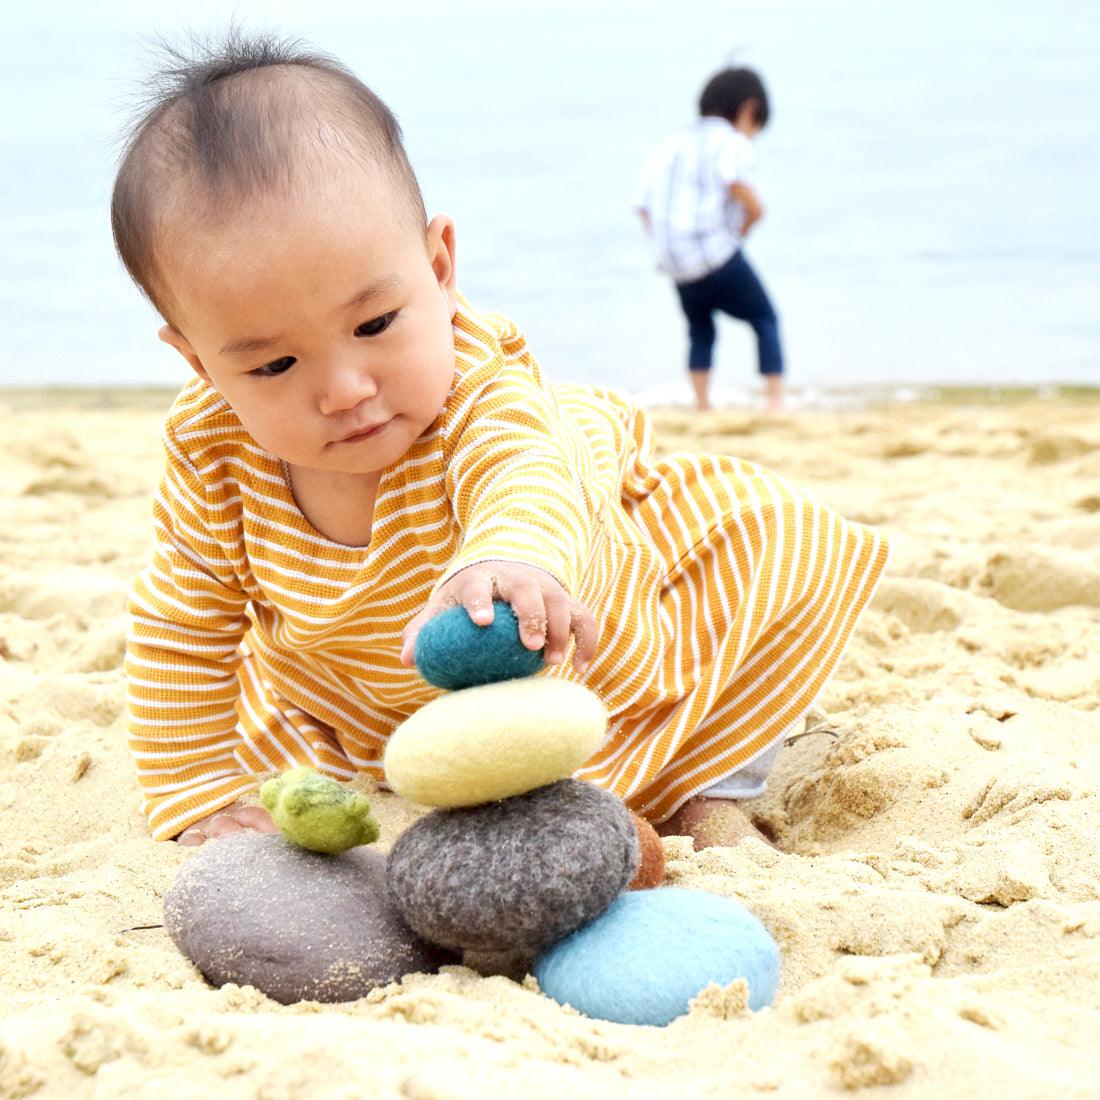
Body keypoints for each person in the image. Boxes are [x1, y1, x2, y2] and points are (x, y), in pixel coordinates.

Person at [114, 35, 888, 851]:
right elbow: (180, 624)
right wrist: (196, 790)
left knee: (764, 542)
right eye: (273, 365)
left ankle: (706, 788)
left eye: (375, 324)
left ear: (439, 267)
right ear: (199, 363)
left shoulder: (480, 388)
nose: (344, 389)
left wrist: (509, 555)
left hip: (594, 652)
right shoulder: (212, 451)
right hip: (371, 710)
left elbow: (523, 471)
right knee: (255, 717)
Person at [635, 67, 784, 412]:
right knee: (765, 318)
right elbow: (742, 190)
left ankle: (702, 405)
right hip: (715, 255)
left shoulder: (671, 144)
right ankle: (774, 402)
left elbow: (643, 205)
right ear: (750, 109)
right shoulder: (730, 142)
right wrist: (744, 227)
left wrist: (667, 241)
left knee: (700, 328)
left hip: (675, 263)